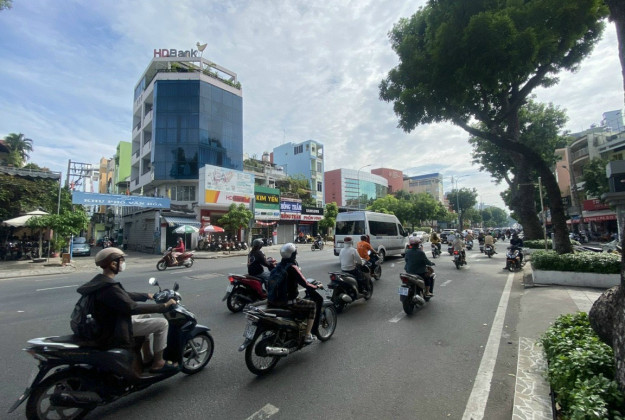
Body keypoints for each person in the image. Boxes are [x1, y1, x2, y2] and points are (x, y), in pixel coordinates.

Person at [76, 248, 178, 373]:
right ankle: (158, 363)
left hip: (107, 322)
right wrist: (164, 306)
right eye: (122, 260)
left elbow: (123, 295)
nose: (123, 263)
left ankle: (147, 356)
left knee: (146, 316)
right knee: (162, 324)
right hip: (114, 328)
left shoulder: (101, 281)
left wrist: (147, 295)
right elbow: (132, 308)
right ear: (113, 264)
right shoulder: (109, 287)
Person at [268, 243, 319, 344]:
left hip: (274, 300)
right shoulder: (292, 267)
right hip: (288, 302)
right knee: (312, 305)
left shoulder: (278, 265)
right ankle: (307, 335)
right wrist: (316, 286)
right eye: (295, 253)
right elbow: (305, 283)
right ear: (293, 254)